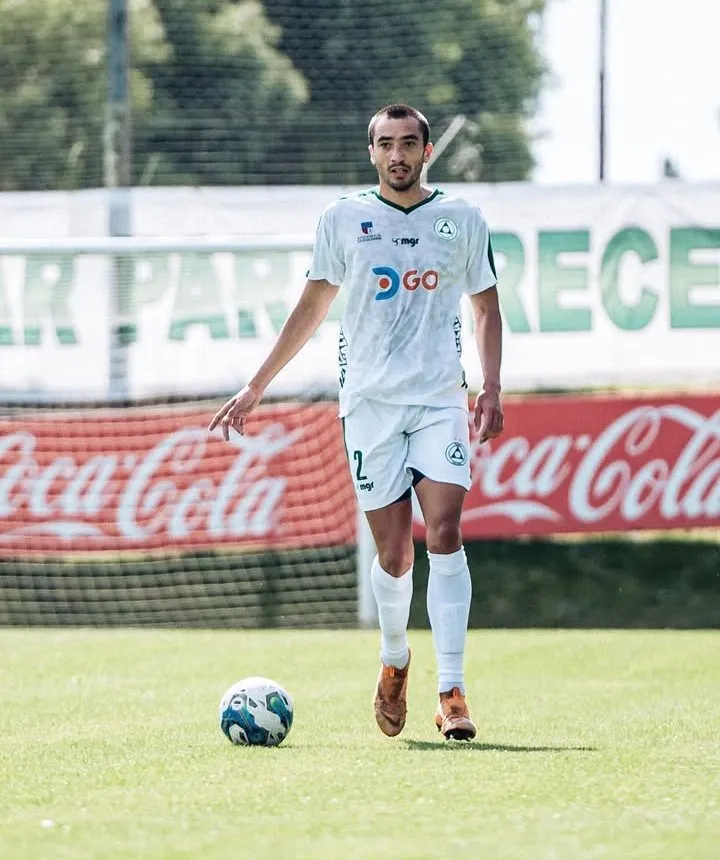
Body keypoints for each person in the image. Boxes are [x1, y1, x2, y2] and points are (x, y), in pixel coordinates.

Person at [208, 103, 504, 741]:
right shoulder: (343, 220)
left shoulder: (462, 219)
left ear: (428, 152)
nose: (397, 155)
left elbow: (486, 307)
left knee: (444, 533)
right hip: (368, 405)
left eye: (408, 144)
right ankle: (394, 659)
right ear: (371, 153)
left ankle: (451, 689)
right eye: (385, 144)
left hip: (438, 400)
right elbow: (313, 303)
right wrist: (257, 385)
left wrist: (491, 385)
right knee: (394, 556)